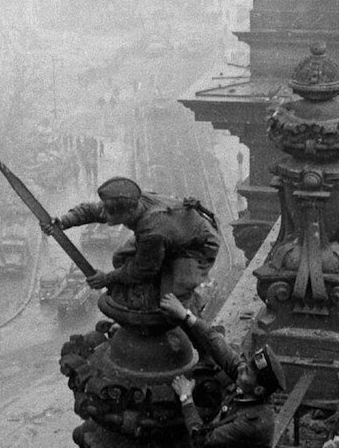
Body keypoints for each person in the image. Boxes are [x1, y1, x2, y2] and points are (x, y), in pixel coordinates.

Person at [42, 177, 220, 309]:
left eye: (109, 214)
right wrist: (63, 222)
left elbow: (143, 268)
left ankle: (194, 312)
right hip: (173, 232)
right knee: (121, 257)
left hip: (197, 245)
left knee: (170, 304)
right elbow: (92, 210)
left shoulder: (152, 231)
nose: (102, 216)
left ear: (128, 213)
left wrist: (107, 278)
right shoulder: (132, 200)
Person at [160, 293, 285, 448]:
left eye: (246, 372)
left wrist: (186, 398)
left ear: (259, 390)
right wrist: (186, 316)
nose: (241, 368)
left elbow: (201, 441)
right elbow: (219, 346)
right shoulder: (251, 387)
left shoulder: (253, 423)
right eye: (245, 365)